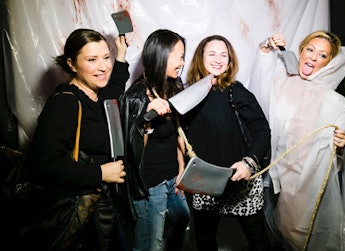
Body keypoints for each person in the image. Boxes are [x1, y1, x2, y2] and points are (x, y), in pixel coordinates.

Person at [249, 31, 345, 250]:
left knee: (300, 234)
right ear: (301, 51)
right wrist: (266, 47)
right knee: (283, 231)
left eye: (322, 55)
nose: (314, 57)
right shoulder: (283, 83)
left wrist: (342, 143)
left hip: (307, 179)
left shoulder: (330, 99)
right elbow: (258, 89)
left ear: (328, 63)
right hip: (280, 175)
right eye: (310, 50)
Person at [22, 28, 130, 250]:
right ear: (71, 65)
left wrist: (120, 56)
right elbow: (41, 166)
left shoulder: (101, 95)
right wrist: (100, 172)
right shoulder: (65, 104)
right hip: (79, 210)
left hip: (105, 204)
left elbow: (116, 85)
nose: (103, 67)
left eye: (105, 57)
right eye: (92, 60)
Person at [182, 35, 272, 251]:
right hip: (204, 182)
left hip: (240, 180)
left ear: (230, 60)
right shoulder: (188, 93)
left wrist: (248, 162)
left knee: (259, 242)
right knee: (204, 241)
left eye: (224, 55)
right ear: (200, 57)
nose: (218, 59)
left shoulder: (236, 91)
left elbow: (262, 130)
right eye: (211, 54)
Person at [119, 29, 190, 251]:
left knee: (182, 220)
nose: (182, 62)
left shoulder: (172, 87)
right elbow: (129, 152)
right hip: (150, 186)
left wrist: (181, 168)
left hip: (173, 178)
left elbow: (176, 132)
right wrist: (145, 121)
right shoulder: (136, 96)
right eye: (178, 56)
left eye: (183, 56)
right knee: (151, 244)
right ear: (160, 56)